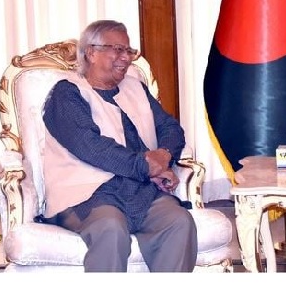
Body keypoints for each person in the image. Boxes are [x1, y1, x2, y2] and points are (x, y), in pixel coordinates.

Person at [40, 19, 198, 272]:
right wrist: (148, 167)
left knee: (179, 222)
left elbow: (171, 129)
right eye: (117, 49)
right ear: (91, 52)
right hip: (86, 193)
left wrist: (163, 155)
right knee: (110, 229)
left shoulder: (135, 88)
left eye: (129, 51)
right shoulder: (67, 94)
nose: (126, 58)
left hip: (141, 190)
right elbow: (92, 147)